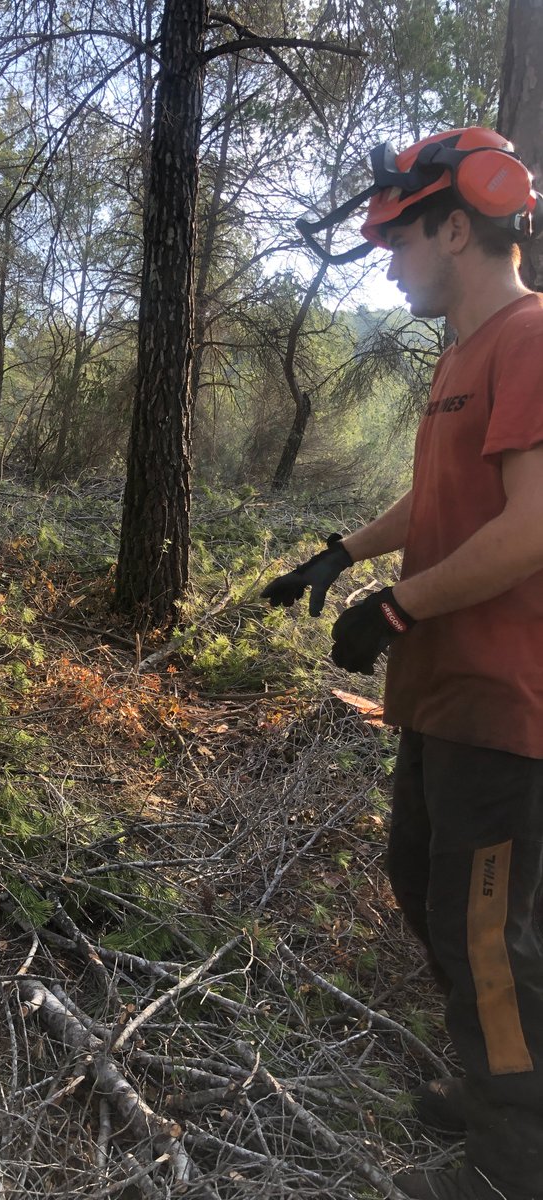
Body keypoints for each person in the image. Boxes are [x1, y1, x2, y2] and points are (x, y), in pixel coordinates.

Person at [263, 128, 543, 1200]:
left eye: (397, 239)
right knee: (423, 887)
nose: (387, 262)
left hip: (508, 702)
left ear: (456, 227)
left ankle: (515, 1160)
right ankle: (493, 1090)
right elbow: (439, 502)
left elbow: (532, 526)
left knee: (487, 934)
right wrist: (341, 554)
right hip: (443, 699)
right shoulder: (463, 357)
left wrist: (399, 608)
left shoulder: (529, 338)